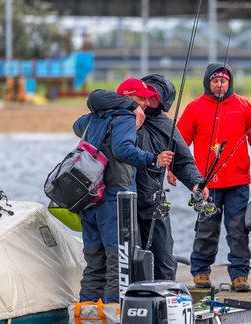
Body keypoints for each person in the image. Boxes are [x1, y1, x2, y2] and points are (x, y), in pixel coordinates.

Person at [73, 78, 174, 304]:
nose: (146, 103)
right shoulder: (126, 118)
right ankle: (114, 311)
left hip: (89, 198)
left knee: (94, 261)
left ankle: (87, 312)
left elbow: (77, 125)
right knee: (119, 262)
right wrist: (154, 160)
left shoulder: (90, 119)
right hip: (114, 199)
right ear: (127, 98)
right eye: (140, 98)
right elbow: (123, 150)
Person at [174, 63, 251, 292]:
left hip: (238, 181)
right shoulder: (195, 107)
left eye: (223, 81)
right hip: (205, 184)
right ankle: (200, 271)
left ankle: (239, 274)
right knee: (206, 228)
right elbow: (179, 141)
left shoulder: (244, 105)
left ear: (230, 83)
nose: (219, 85)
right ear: (208, 82)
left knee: (238, 229)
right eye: (215, 81)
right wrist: (171, 169)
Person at [133, 73, 209, 280]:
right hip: (122, 201)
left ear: (163, 102)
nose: (147, 101)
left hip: (152, 201)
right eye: (144, 94)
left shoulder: (166, 127)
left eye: (154, 97)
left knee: (164, 256)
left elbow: (183, 162)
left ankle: (165, 299)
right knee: (129, 257)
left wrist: (196, 184)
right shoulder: (120, 115)